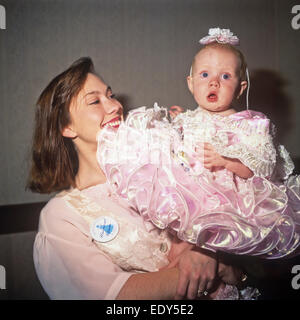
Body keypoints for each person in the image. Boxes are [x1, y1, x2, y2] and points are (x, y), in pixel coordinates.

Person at [28, 57, 247, 300]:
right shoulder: (61, 216)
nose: (114, 106)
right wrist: (208, 264)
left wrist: (215, 254)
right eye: (94, 101)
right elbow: (111, 296)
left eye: (110, 95)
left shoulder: (163, 167)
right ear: (66, 127)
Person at [97, 27, 300, 260]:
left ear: (240, 88)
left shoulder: (250, 124)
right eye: (205, 75)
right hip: (192, 199)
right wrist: (176, 123)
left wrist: (226, 160)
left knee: (229, 257)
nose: (214, 82)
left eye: (225, 76)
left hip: (233, 206)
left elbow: (261, 169)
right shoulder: (189, 118)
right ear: (191, 83)